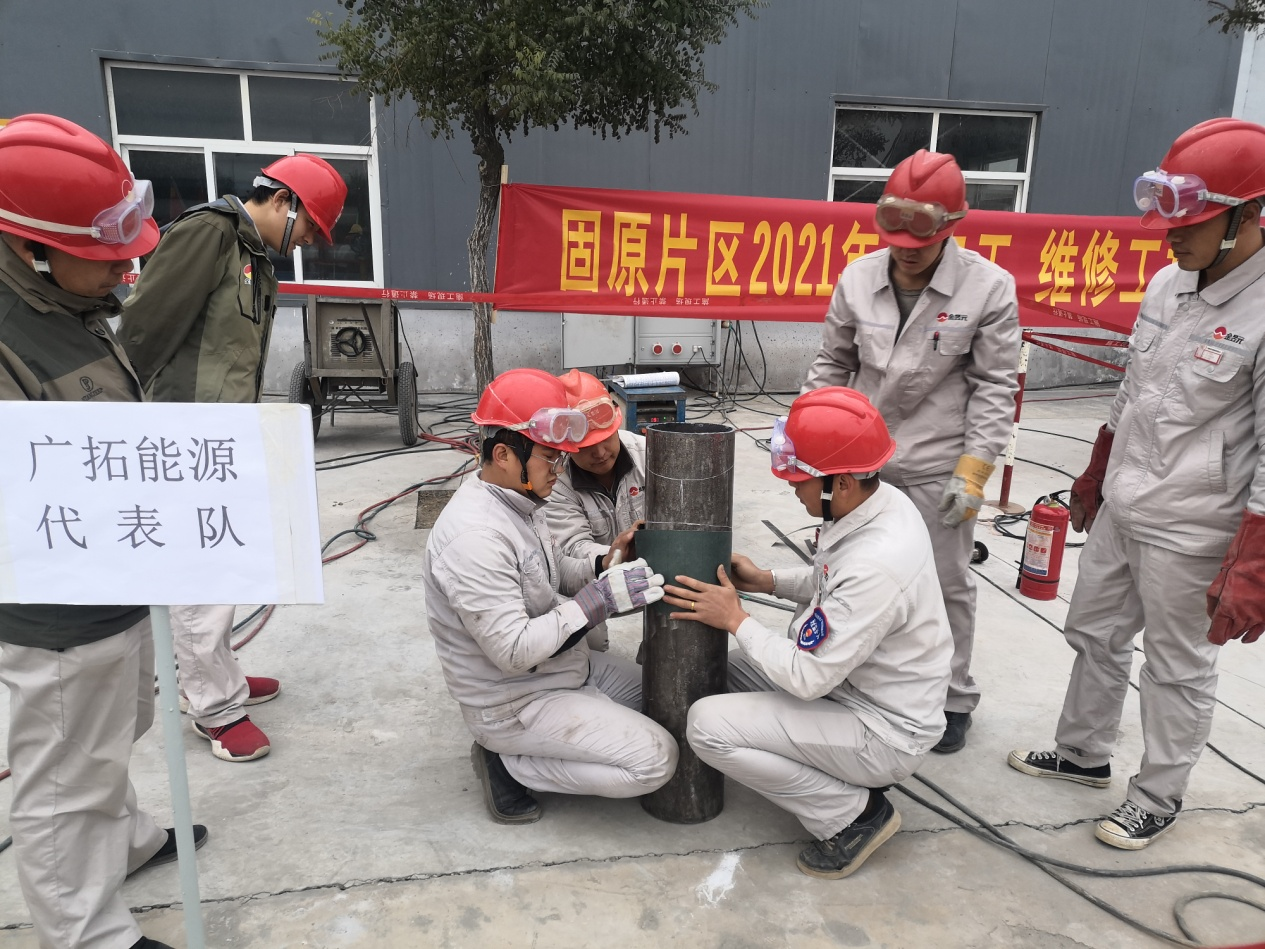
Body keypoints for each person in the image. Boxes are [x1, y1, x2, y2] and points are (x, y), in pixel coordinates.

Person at [1009, 118, 1265, 850]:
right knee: (1094, 632)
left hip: (1194, 525)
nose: (1169, 236)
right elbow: (1132, 390)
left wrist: (1251, 560)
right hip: (1125, 506)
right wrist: (1097, 469)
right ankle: (1083, 753)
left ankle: (1157, 795)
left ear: (1247, 214)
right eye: (1168, 218)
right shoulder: (1166, 284)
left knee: (1177, 667)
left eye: (1191, 222)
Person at [0, 113, 206, 949]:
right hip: (58, 607)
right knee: (63, 773)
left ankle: (121, 840)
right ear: (29, 248)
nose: (128, 265)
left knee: (117, 730)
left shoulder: (65, 302)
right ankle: (85, 933)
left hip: (119, 574)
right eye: (108, 252)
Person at [665, 387, 952, 879]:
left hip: (881, 729)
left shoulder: (878, 563)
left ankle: (853, 816)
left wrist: (736, 619)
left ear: (841, 483)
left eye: (801, 481)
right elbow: (833, 585)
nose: (794, 490)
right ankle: (839, 780)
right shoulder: (879, 504)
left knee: (707, 725)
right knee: (719, 672)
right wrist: (767, 581)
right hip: (853, 688)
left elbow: (806, 677)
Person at [117, 154, 348, 762]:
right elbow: (141, 331)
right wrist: (127, 425)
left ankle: (221, 676)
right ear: (283, 201)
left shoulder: (253, 257)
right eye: (309, 227)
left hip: (221, 438)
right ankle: (214, 708)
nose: (307, 241)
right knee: (199, 574)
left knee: (223, 563)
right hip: (184, 437)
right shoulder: (208, 235)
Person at [803, 150, 1020, 753]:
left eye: (920, 239)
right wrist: (807, 437)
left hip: (936, 465)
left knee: (945, 583)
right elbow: (831, 365)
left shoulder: (987, 287)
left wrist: (973, 473)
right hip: (860, 464)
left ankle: (951, 698)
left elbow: (995, 386)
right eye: (895, 237)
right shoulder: (858, 279)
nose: (906, 250)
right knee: (843, 572)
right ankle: (850, 675)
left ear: (951, 226)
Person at [423, 368, 678, 823]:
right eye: (549, 458)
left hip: (562, 668)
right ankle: (508, 765)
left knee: (667, 702)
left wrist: (607, 562)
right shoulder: (475, 537)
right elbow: (513, 651)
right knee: (656, 760)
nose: (560, 471)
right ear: (504, 454)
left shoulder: (519, 500)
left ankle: (571, 724)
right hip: (513, 700)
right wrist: (597, 602)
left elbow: (554, 570)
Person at [545, 369, 646, 651]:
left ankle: (659, 650)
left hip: (655, 569)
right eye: (586, 446)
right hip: (593, 578)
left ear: (617, 422)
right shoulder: (554, 482)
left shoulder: (649, 455)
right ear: (565, 445)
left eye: (605, 439)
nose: (600, 453)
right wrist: (613, 556)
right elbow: (573, 549)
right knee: (584, 643)